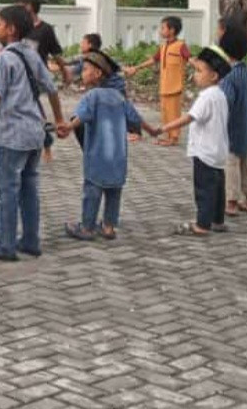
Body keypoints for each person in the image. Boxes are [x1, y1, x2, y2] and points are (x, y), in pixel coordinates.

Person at [0, 5, 71, 262]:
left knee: (7, 189)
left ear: (11, 29)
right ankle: (31, 241)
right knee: (29, 188)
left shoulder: (5, 58)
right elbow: (51, 89)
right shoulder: (31, 54)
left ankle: (5, 244)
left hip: (11, 134)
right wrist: (59, 120)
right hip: (34, 133)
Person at [64, 51, 159, 241]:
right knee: (114, 192)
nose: (83, 72)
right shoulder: (119, 97)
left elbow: (81, 117)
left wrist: (67, 127)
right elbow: (136, 118)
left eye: (86, 69)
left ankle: (88, 228)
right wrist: (152, 131)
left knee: (92, 190)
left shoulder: (92, 97)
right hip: (118, 156)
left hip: (97, 155)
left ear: (98, 74)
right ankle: (108, 227)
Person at [157, 46, 231, 237]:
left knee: (204, 189)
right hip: (218, 151)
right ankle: (217, 220)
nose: (195, 75)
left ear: (214, 76)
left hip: (204, 151)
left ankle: (202, 225)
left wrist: (165, 128)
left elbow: (189, 117)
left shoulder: (206, 97)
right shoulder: (220, 94)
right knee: (218, 188)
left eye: (199, 71)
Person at [125, 16, 191, 146]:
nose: (161, 31)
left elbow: (190, 59)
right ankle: (168, 136)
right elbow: (153, 60)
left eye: (163, 28)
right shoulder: (163, 46)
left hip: (175, 86)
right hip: (164, 86)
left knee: (173, 113)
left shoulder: (181, 46)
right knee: (165, 113)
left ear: (172, 30)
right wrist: (136, 68)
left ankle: (174, 138)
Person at [220, 24, 247, 217]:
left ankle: (232, 201)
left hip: (232, 128)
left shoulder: (228, 77)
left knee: (232, 165)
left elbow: (225, 102)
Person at [16, 0, 72, 83]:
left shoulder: (46, 29)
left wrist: (64, 71)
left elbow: (56, 54)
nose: (17, 11)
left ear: (29, 6)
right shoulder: (16, 28)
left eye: (20, 7)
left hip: (38, 79)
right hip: (19, 78)